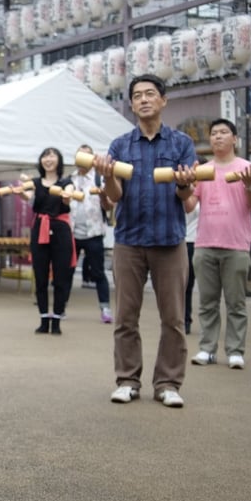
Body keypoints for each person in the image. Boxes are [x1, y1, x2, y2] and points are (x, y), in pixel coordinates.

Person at [94, 73, 197, 408]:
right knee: (126, 317)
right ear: (132, 104)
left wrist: (184, 183)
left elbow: (186, 195)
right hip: (129, 240)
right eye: (137, 95)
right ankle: (127, 380)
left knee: (173, 318)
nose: (143, 100)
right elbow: (114, 196)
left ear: (163, 100)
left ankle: (168, 383)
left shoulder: (180, 144)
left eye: (150, 94)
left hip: (170, 240)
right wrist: (108, 175)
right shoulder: (120, 146)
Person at [186, 118, 251, 370]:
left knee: (236, 302)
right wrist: (185, 185)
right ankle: (207, 349)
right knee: (207, 302)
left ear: (234, 139)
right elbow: (189, 206)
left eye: (223, 132)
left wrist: (250, 184)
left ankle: (235, 350)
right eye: (214, 133)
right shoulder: (203, 170)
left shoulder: (247, 168)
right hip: (205, 243)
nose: (218, 137)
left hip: (236, 245)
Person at [21, 147, 75, 335]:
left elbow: (68, 196)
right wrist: (20, 191)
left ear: (59, 160)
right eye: (45, 155)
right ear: (41, 161)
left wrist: (67, 196)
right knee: (41, 276)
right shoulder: (35, 183)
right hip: (40, 228)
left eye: (52, 156)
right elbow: (27, 195)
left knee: (61, 277)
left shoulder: (66, 182)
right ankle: (44, 318)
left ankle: (57, 319)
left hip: (60, 230)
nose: (48, 159)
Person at [69, 144, 113, 324]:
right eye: (80, 155)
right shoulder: (69, 179)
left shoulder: (98, 178)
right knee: (67, 271)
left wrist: (103, 195)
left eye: (87, 156)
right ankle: (60, 307)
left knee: (98, 272)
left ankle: (105, 308)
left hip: (94, 232)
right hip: (72, 232)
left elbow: (109, 205)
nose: (83, 158)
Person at [184, 201, 200, 335]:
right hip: (183, 240)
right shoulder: (180, 190)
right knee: (183, 285)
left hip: (199, 242)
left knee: (189, 284)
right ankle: (184, 319)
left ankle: (186, 319)